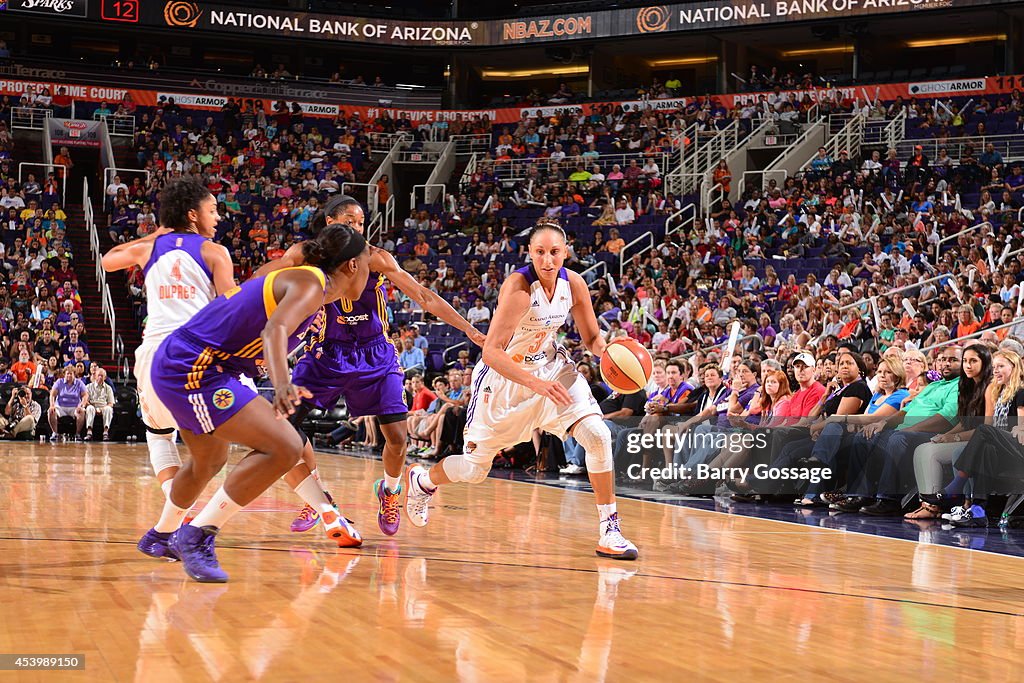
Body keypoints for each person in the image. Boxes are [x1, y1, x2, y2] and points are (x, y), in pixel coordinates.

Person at [143, 224, 371, 583]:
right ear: (353, 266)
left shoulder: (306, 283)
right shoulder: (311, 283)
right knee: (285, 447)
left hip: (192, 362)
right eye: (369, 262)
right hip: (194, 367)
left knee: (209, 460)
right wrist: (282, 385)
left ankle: (160, 535)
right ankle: (197, 534)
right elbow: (274, 331)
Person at [251, 194, 484, 537]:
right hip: (327, 353)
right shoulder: (305, 255)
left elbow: (424, 296)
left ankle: (390, 491)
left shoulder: (375, 258)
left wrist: (468, 329)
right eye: (349, 222)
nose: (357, 228)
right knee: (282, 428)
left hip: (375, 353)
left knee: (397, 438)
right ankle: (316, 495)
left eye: (361, 223)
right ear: (330, 223)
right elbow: (260, 282)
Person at [404, 219, 638, 560]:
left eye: (554, 252)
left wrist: (613, 352)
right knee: (473, 469)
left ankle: (610, 530)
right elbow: (491, 352)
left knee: (598, 436)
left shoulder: (574, 284)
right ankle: (423, 481)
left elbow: (591, 339)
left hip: (551, 368)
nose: (547, 260)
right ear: (529, 253)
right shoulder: (518, 290)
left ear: (565, 253)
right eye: (540, 252)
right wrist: (535, 384)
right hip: (505, 380)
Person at [101, 178, 237, 540]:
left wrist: (154, 235)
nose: (218, 217)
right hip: (198, 352)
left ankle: (173, 521)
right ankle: (182, 524)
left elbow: (107, 260)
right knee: (218, 447)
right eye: (213, 210)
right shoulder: (215, 251)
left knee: (160, 435)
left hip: (154, 352)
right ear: (193, 216)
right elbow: (231, 307)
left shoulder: (150, 248)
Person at [47, 366, 86, 441]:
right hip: (60, 406)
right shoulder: (59, 382)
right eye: (67, 374)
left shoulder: (79, 383)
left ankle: (77, 434)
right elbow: (52, 395)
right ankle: (54, 433)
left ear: (74, 374)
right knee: (51, 411)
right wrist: (52, 405)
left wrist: (81, 405)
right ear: (64, 374)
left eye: (71, 374)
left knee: (81, 412)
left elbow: (85, 395)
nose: (69, 376)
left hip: (74, 407)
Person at [84, 367, 116, 441]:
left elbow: (111, 403)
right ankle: (89, 432)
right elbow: (85, 401)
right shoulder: (88, 387)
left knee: (108, 409)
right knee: (89, 408)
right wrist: (93, 408)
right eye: (98, 375)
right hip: (92, 406)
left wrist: (102, 409)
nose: (100, 377)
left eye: (102, 376)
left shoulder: (108, 388)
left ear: (105, 377)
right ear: (95, 376)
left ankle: (105, 432)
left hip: (104, 407)